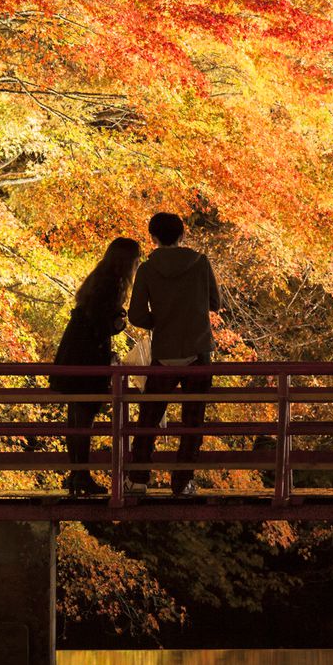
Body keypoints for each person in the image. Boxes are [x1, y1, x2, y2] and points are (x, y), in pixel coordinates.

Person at [126, 212, 222, 496]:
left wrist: (159, 320)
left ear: (153, 238)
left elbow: (136, 314)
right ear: (182, 236)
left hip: (164, 352)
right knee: (193, 420)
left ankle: (139, 478)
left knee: (150, 417)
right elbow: (214, 303)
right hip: (197, 351)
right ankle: (182, 482)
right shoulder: (200, 263)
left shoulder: (146, 269)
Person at [51, 236, 142, 496]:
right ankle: (81, 476)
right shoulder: (113, 285)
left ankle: (78, 474)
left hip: (73, 352)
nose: (137, 263)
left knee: (76, 418)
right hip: (87, 358)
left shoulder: (98, 278)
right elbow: (103, 325)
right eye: (136, 259)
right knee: (84, 418)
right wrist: (119, 322)